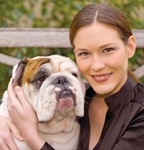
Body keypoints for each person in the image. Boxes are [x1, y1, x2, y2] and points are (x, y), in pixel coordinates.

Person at [0, 3, 144, 150]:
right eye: (84, 53)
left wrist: (31, 137)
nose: (97, 65)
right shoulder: (80, 96)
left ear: (130, 47)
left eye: (108, 50)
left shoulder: (140, 111)